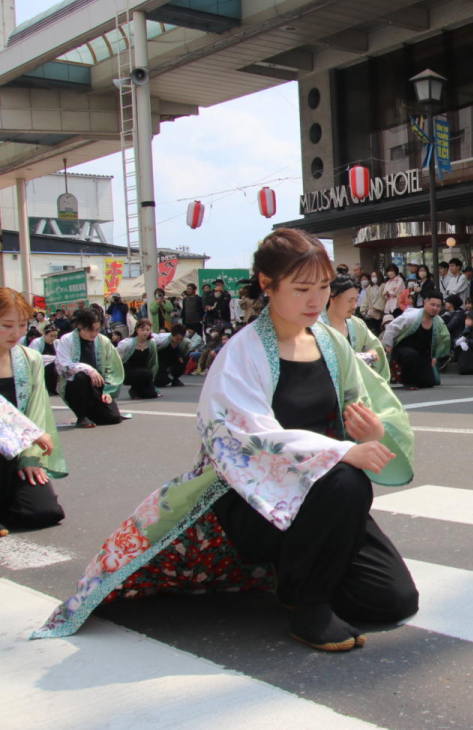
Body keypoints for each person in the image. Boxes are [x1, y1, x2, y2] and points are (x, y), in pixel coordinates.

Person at [34, 228, 418, 651]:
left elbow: (365, 405)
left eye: (324, 287)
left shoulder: (330, 343)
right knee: (347, 479)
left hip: (323, 504)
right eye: (302, 288)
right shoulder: (243, 351)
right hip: (254, 504)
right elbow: (247, 438)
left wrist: (373, 432)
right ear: (268, 285)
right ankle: (307, 604)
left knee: (391, 600)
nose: (316, 300)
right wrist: (344, 450)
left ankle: (295, 571)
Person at [0, 288, 66, 537]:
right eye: (6, 325)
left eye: (22, 325)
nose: (16, 333)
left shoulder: (30, 358)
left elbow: (38, 409)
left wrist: (30, 455)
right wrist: (29, 432)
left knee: (44, 511)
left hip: (16, 449)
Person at [56, 307, 126, 428]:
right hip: (75, 385)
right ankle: (81, 415)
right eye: (90, 330)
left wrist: (108, 390)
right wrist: (88, 369)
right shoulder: (67, 340)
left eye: (97, 330)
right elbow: (63, 365)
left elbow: (113, 366)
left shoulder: (103, 341)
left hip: (97, 385)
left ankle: (90, 413)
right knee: (81, 377)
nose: (94, 334)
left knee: (113, 417)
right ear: (79, 325)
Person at [322, 274, 390, 381]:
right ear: (333, 297)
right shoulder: (318, 325)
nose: (354, 306)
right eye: (350, 300)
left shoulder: (357, 324)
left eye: (356, 300)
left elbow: (376, 349)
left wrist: (369, 355)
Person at [382, 293, 449, 390]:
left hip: (422, 354)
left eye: (438, 306)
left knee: (429, 382)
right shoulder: (412, 316)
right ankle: (408, 381)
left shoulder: (438, 322)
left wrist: (435, 356)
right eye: (432, 305)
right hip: (403, 350)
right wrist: (388, 345)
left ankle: (409, 376)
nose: (435, 308)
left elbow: (444, 338)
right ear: (425, 303)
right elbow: (392, 328)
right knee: (410, 354)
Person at [117, 318, 171, 400]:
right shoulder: (128, 343)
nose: (145, 332)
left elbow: (153, 362)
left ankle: (139, 390)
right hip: (129, 371)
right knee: (145, 373)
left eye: (147, 330)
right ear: (137, 330)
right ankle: (134, 389)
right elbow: (117, 357)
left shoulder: (151, 343)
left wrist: (152, 378)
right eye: (142, 330)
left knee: (151, 394)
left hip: (145, 372)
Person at [28, 323, 60, 395]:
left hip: (54, 363)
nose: (53, 338)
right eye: (51, 336)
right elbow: (36, 356)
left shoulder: (57, 342)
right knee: (49, 368)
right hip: (39, 364)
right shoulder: (37, 342)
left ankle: (54, 388)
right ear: (45, 334)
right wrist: (54, 358)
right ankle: (47, 389)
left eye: (55, 336)